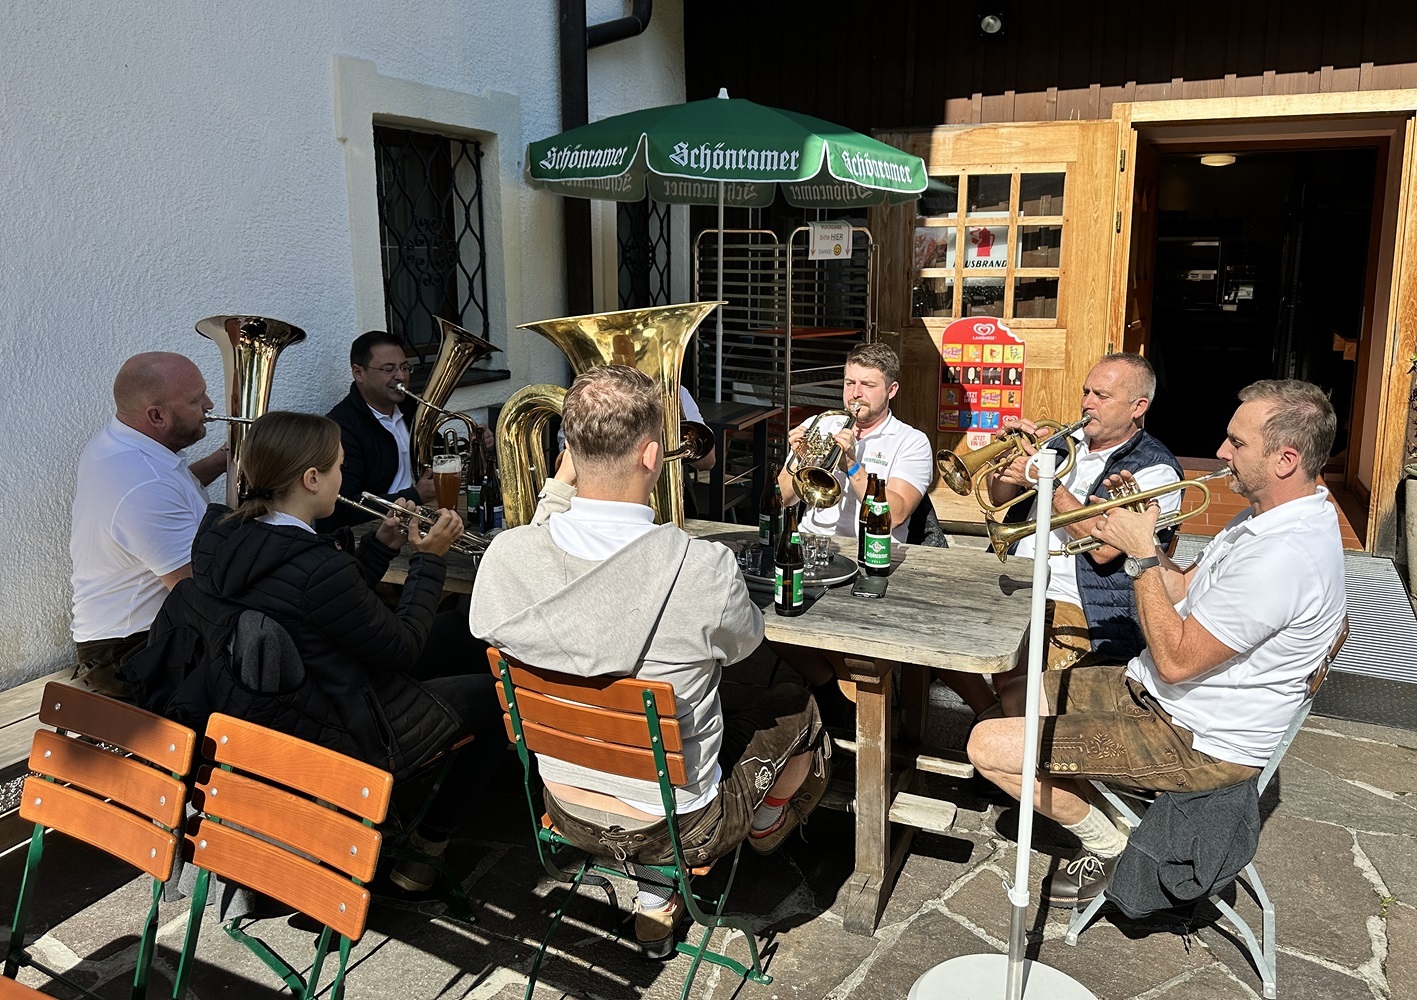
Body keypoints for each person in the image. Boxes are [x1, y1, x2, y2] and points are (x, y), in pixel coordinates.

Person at [470, 365, 830, 959]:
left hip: (565, 808)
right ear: (652, 455)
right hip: (680, 828)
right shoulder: (701, 567)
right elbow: (746, 645)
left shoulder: (507, 557)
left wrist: (557, 492)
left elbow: (534, 553)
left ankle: (654, 897)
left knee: (658, 720)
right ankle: (762, 826)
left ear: (568, 453)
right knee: (797, 703)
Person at [967, 380, 1346, 906]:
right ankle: (1095, 806)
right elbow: (1185, 588)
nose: (1221, 452)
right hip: (1155, 694)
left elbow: (1175, 662)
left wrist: (1143, 555)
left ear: (1286, 460)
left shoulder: (1285, 556)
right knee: (1013, 697)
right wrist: (1133, 534)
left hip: (1196, 738)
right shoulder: (1263, 518)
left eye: (1237, 443)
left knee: (985, 746)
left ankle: (1111, 845)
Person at [131, 411, 505, 893]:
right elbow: (402, 649)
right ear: (311, 479)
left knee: (459, 630)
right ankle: (428, 843)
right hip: (344, 724)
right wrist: (429, 561)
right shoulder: (316, 566)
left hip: (293, 695)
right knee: (502, 695)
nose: (342, 479)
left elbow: (323, 608)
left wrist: (379, 548)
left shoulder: (225, 537)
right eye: (339, 468)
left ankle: (421, 792)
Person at [975, 354, 1183, 699]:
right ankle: (992, 716)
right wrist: (1004, 461)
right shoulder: (1062, 442)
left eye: (1102, 396)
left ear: (1138, 407)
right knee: (932, 626)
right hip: (1014, 578)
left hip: (1077, 601)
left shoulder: (1155, 470)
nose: (1087, 403)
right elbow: (1000, 498)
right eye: (1086, 392)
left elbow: (1105, 549)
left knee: (1016, 686)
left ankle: (1002, 721)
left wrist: (1046, 482)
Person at [774, 342, 933, 722]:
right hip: (812, 549)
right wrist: (799, 462)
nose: (855, 394)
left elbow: (895, 513)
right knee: (763, 615)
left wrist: (852, 466)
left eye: (867, 385)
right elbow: (781, 499)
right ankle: (830, 688)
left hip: (871, 558)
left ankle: (851, 703)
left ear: (891, 390)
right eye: (849, 383)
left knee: (855, 639)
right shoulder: (821, 425)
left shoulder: (911, 441)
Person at [69, 352, 228, 697]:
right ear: (156, 416)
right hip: (128, 656)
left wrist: (223, 460)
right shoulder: (143, 482)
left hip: (132, 636)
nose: (209, 405)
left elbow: (173, 491)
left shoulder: (121, 443)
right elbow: (198, 593)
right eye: (196, 400)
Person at [319, 331, 435, 530]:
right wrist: (415, 495)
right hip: (375, 530)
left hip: (418, 516)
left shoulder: (410, 408)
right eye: (388, 369)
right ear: (358, 373)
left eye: (404, 367)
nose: (401, 376)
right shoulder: (341, 427)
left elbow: (437, 451)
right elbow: (341, 507)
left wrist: (475, 444)